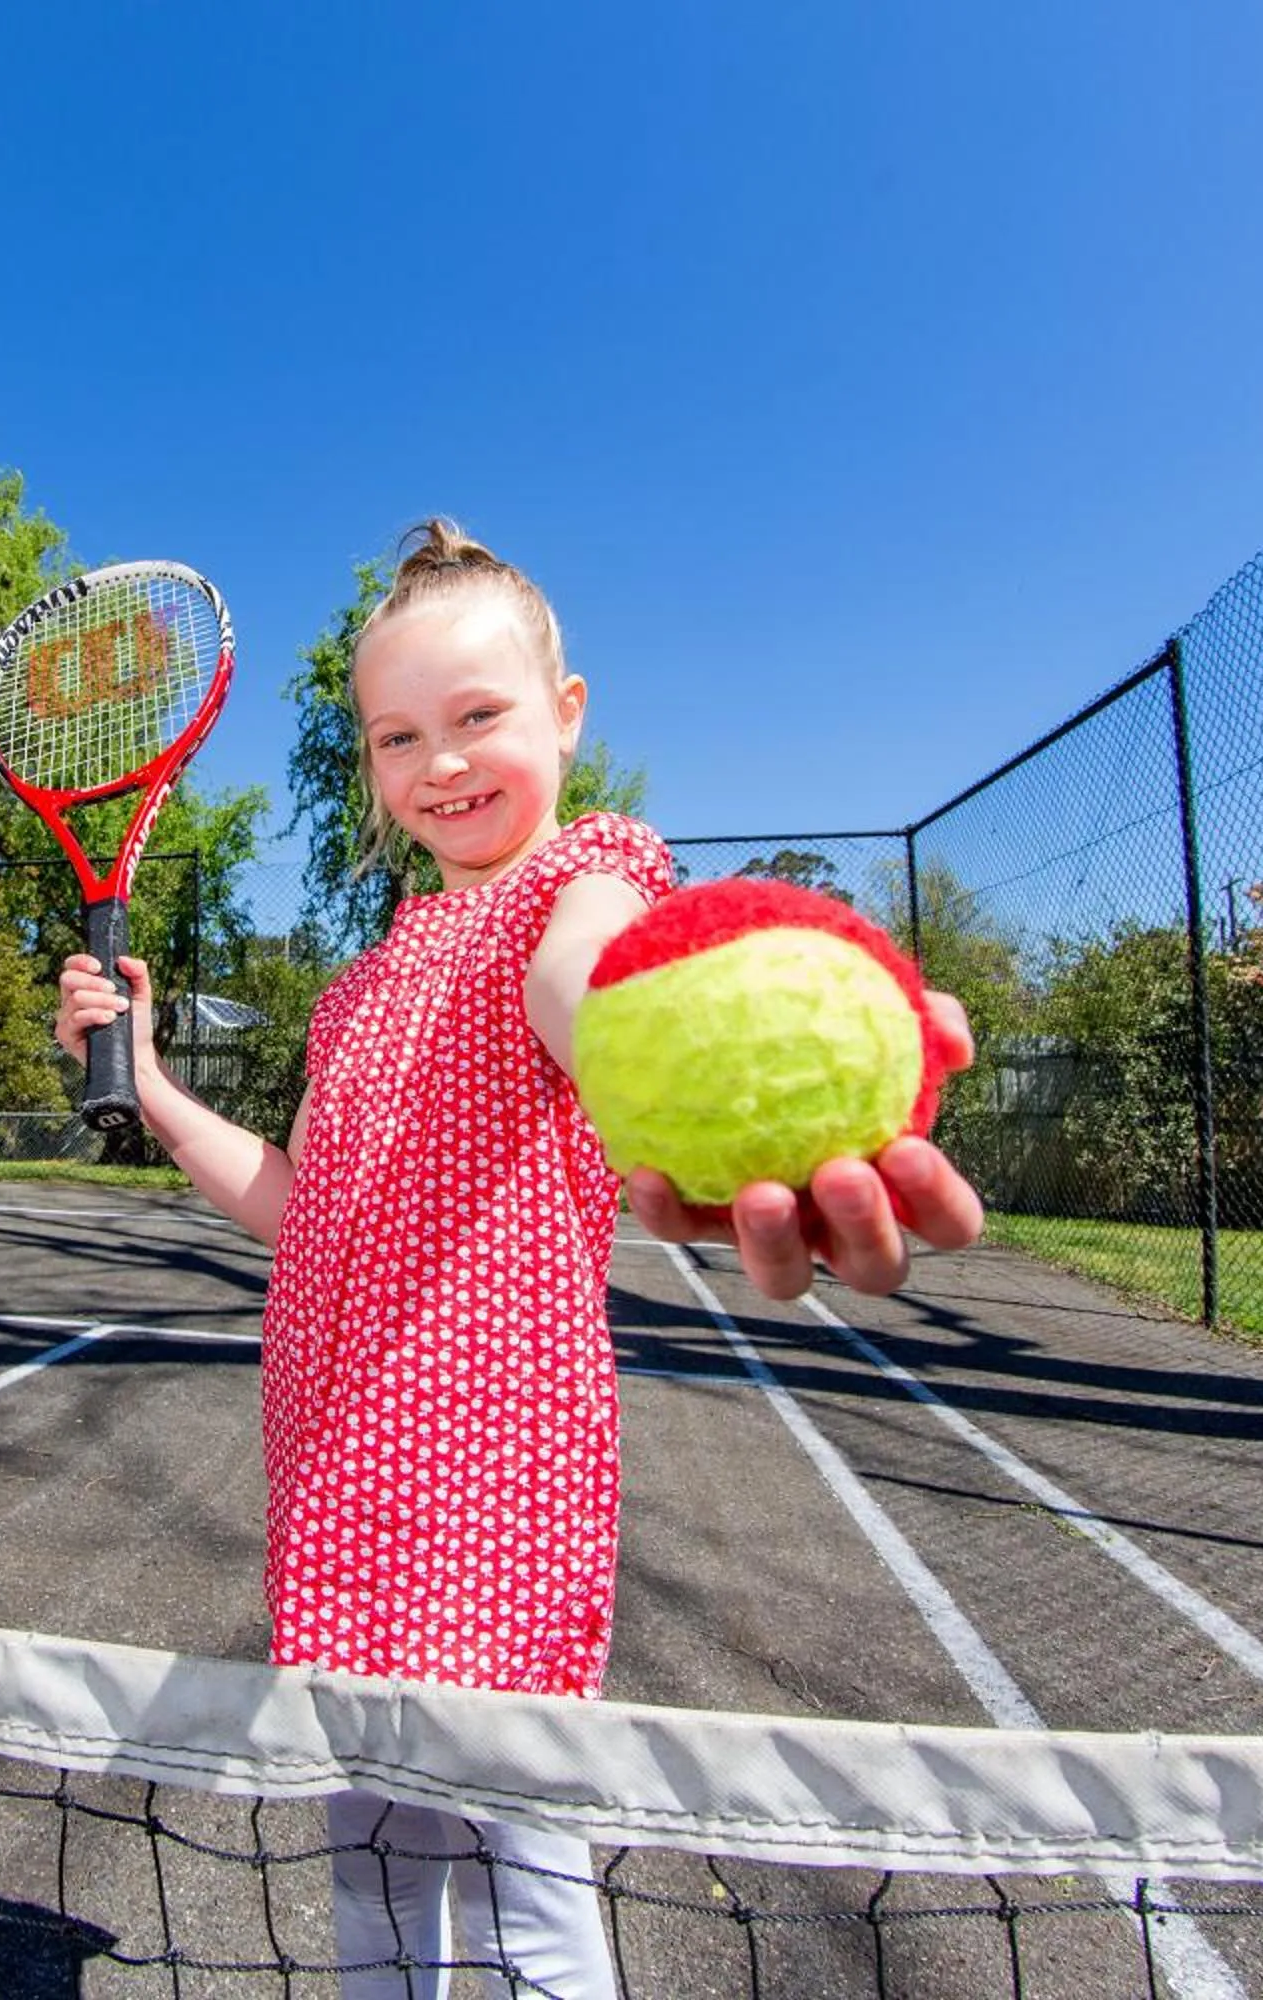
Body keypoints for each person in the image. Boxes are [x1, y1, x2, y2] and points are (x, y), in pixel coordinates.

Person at [53, 520, 985, 1997]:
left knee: (521, 1898)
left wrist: (679, 1070)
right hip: (333, 1471)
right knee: (368, 1886)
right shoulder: (360, 985)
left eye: (478, 718)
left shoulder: (591, 879)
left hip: (496, 1479)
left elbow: (589, 986)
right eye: (397, 735)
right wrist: (154, 1081)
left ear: (565, 715)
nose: (441, 764)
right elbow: (308, 1216)